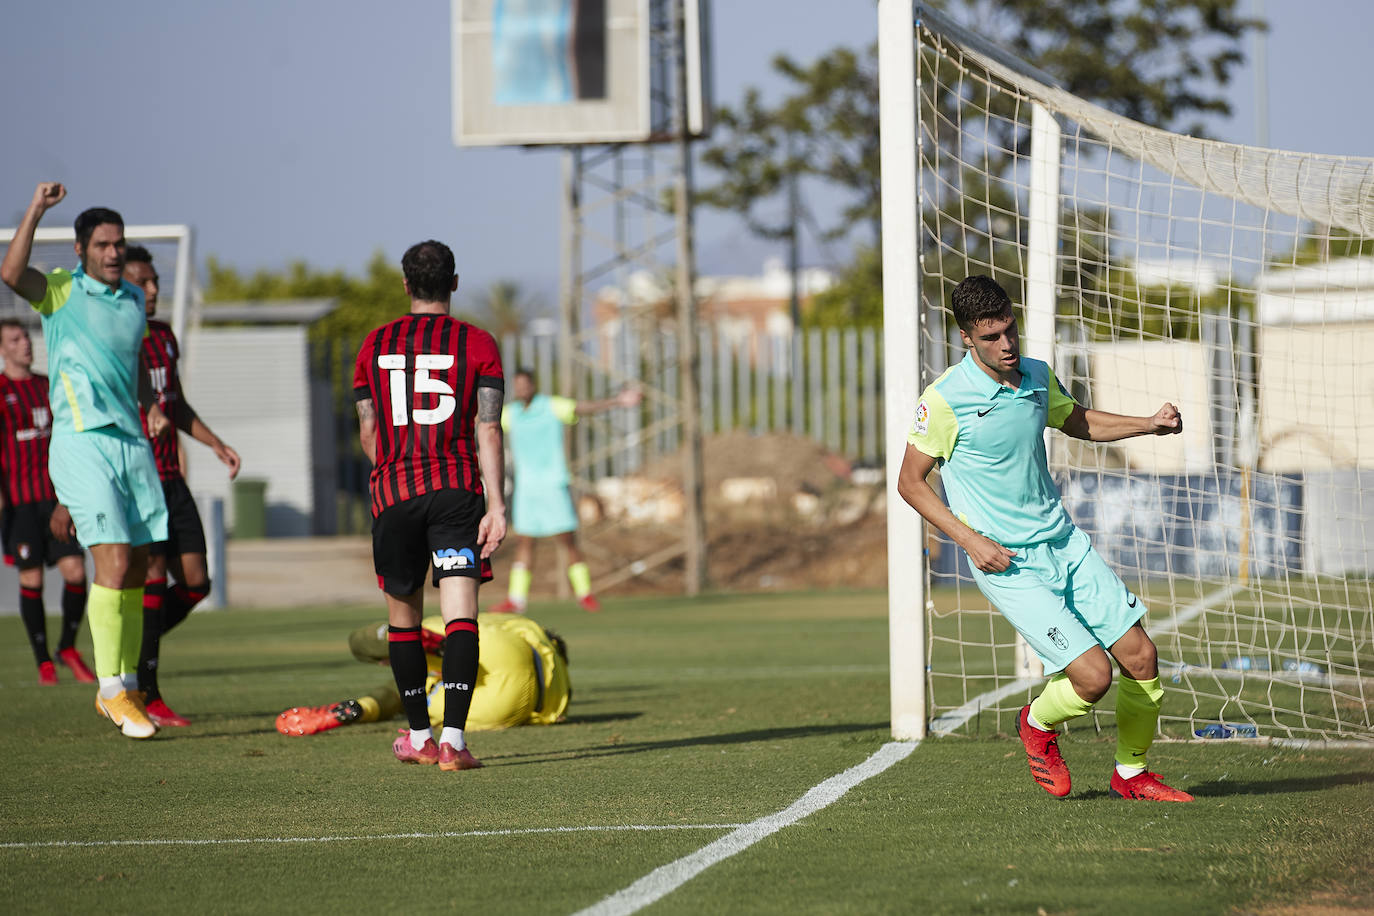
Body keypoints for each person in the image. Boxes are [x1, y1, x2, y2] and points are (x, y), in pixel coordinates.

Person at [898, 275, 1193, 803]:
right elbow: (909, 482)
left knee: (1142, 657)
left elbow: (1077, 422)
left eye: (1009, 330)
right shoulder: (944, 399)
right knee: (1093, 677)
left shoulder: (1035, 375)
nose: (1006, 344)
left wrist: (1148, 424)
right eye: (990, 337)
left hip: (1064, 543)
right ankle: (1036, 725)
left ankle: (1131, 773)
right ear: (966, 338)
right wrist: (970, 540)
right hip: (1007, 562)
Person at [0, 183, 170, 740]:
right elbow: (9, 273)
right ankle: (111, 689)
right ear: (80, 250)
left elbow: (134, 369)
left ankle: (125, 685)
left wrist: (152, 408)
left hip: (133, 444)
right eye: (102, 244)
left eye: (118, 243)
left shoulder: (129, 301)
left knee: (142, 567)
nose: (114, 253)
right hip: (83, 441)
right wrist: (36, 209)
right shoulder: (60, 291)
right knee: (114, 564)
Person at [352, 239, 506, 771]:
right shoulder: (478, 344)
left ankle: (419, 737)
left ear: (405, 285)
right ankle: (455, 743)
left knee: (403, 620)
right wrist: (499, 504)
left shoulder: (374, 345)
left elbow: (369, 430)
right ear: (455, 283)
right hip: (456, 494)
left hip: (393, 495)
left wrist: (389, 475)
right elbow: (489, 428)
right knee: (460, 614)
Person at [123, 245, 241, 728]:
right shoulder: (111, 340)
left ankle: (133, 644)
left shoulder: (165, 336)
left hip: (173, 477)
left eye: (155, 281)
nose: (153, 290)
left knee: (196, 583)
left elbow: (176, 404)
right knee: (152, 575)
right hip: (138, 477)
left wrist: (214, 443)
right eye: (142, 282)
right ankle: (147, 691)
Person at [487, 368, 640, 614]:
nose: (522, 389)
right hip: (527, 489)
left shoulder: (550, 406)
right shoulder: (511, 414)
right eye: (517, 386)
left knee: (568, 541)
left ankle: (585, 594)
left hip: (553, 484)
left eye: (525, 384)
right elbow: (485, 423)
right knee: (525, 543)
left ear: (533, 385)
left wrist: (617, 401)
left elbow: (584, 407)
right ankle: (516, 599)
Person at [275, 614, 570, 736]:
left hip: (499, 701)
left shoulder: (525, 625)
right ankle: (422, 647)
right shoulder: (562, 689)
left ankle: (416, 644)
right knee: (417, 683)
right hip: (535, 700)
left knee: (379, 651)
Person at [0, 319, 92, 685]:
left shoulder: (48, 386)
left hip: (56, 502)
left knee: (76, 573)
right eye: (15, 339)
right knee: (32, 578)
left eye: (26, 336)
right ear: (3, 349)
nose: (25, 343)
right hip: (19, 505)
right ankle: (43, 662)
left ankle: (67, 647)